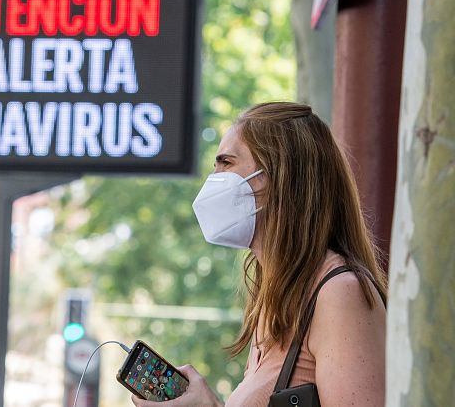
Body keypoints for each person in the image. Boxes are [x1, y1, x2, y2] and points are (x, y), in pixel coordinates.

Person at [132, 102, 387, 407]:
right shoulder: (275, 300)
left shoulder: (340, 293)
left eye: (226, 163)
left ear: (279, 174)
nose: (214, 179)